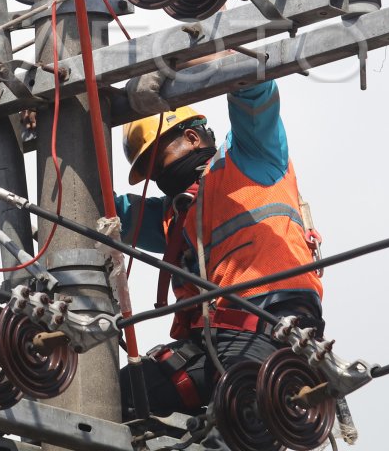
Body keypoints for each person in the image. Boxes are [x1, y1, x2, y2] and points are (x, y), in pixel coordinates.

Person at [115, 80, 324, 418]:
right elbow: (99, 207)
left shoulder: (251, 156)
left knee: (238, 420)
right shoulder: (176, 214)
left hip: (272, 327)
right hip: (212, 342)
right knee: (120, 395)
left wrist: (185, 62)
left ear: (193, 138)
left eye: (158, 162)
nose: (157, 177)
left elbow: (255, 83)